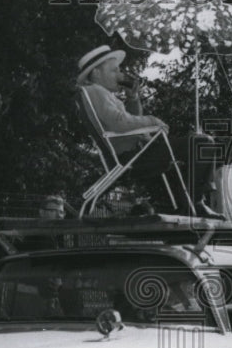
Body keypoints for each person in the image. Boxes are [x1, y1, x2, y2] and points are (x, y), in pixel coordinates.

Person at [76, 44, 222, 219]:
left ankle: (188, 204)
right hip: (133, 155)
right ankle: (196, 203)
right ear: (96, 73)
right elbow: (120, 123)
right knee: (201, 143)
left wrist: (133, 97)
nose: (120, 75)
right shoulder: (95, 91)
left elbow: (130, 121)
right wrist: (153, 121)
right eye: (114, 71)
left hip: (134, 153)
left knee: (191, 146)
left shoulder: (102, 94)